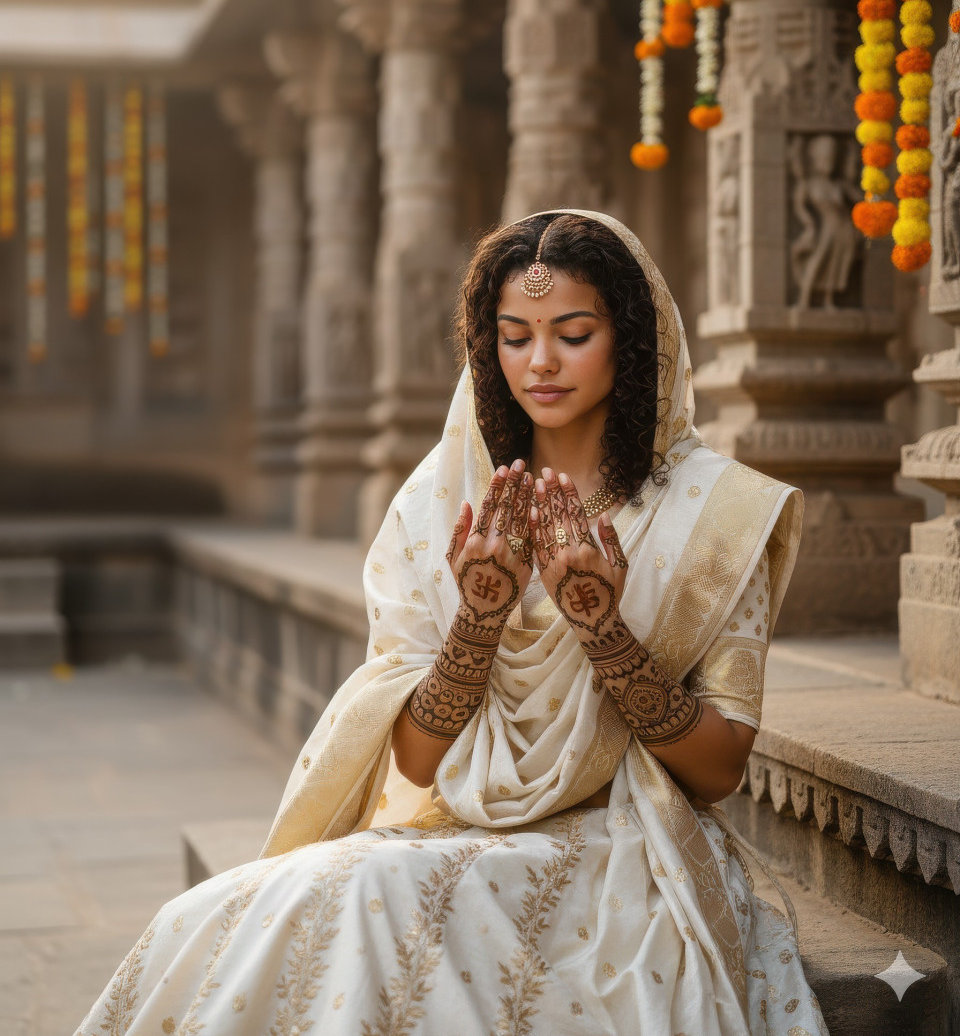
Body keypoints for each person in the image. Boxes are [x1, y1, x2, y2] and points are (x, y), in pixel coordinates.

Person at [75, 209, 828, 1036]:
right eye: (515, 337)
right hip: (458, 824)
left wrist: (603, 630)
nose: (540, 362)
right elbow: (416, 758)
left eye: (572, 333)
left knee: (361, 898)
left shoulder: (714, 514)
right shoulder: (444, 506)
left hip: (625, 845)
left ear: (634, 340)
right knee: (206, 917)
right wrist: (478, 621)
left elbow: (718, 771)